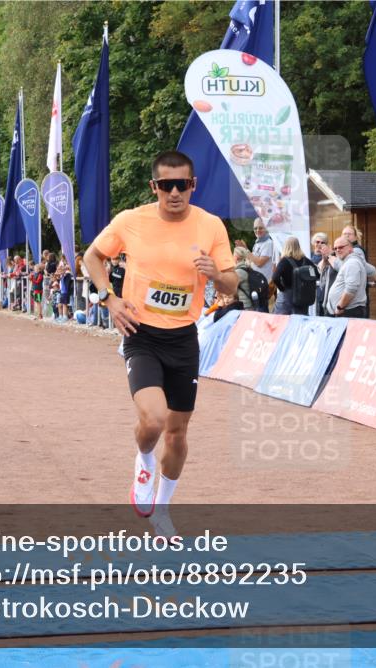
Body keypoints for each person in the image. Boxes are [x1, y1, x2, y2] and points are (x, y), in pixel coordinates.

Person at [82, 150, 236, 537]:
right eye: (166, 185)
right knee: (153, 420)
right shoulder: (131, 221)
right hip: (141, 334)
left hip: (184, 338)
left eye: (182, 184)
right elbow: (93, 257)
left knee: (178, 433)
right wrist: (109, 299)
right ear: (154, 187)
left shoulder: (211, 226)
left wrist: (215, 273)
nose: (174, 193)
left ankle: (163, 508)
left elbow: (233, 284)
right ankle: (143, 460)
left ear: (193, 185)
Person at [271, 236, 318, 315]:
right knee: (300, 323)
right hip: (302, 297)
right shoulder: (306, 261)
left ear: (285, 247)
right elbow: (317, 274)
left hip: (287, 298)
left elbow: (275, 277)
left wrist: (282, 289)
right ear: (298, 246)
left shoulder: (284, 261)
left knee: (283, 322)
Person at [326, 235, 368, 318]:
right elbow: (371, 270)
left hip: (348, 311)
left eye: (341, 247)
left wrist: (340, 307)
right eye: (335, 248)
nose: (338, 250)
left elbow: (351, 289)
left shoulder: (352, 263)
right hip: (346, 311)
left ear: (350, 249)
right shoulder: (349, 262)